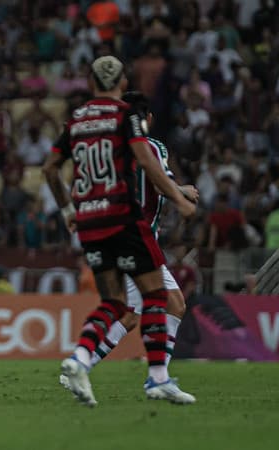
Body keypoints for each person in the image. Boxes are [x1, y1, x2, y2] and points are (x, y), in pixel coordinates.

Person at [42, 56, 197, 407]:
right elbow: (146, 163)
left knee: (127, 305)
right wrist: (180, 198)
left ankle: (81, 361)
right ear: (121, 81)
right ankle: (154, 378)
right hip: (126, 222)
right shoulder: (126, 119)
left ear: (91, 81)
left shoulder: (77, 120)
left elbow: (50, 168)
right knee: (155, 299)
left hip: (89, 221)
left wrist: (68, 210)